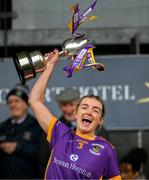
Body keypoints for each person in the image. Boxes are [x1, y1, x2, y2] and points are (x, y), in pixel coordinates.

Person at [29, 49, 121, 179]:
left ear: (101, 120)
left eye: (95, 110)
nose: (89, 112)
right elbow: (34, 100)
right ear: (76, 113)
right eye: (84, 107)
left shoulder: (106, 149)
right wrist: (49, 67)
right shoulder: (59, 133)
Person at [0, 84, 46, 179]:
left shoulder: (37, 126)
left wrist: (18, 147)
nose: (13, 104)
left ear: (26, 105)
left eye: (17, 101)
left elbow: (43, 156)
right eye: (10, 102)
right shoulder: (2, 127)